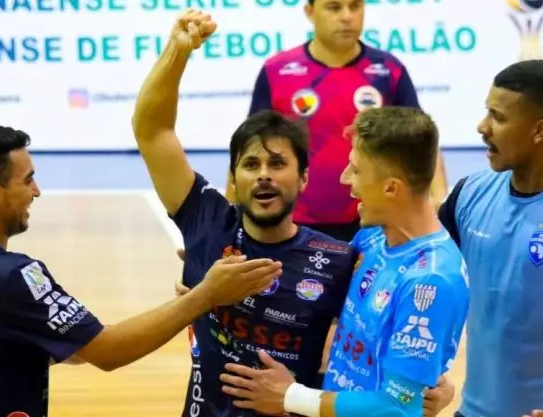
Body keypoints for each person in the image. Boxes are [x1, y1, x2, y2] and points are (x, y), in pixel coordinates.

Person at [131, 10, 357, 417]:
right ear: (233, 180)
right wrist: (178, 53)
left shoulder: (340, 259)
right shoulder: (207, 222)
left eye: (277, 163)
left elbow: (374, 354)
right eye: (251, 165)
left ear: (303, 178)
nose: (264, 175)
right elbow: (151, 130)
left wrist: (433, 390)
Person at [0, 124, 281, 417]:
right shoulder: (11, 277)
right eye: (27, 181)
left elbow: (76, 346)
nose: (36, 191)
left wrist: (191, 300)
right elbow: (107, 351)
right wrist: (205, 296)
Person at [218, 106, 470, 417]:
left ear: (391, 188)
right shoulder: (373, 238)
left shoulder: (431, 281)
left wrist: (291, 397)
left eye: (356, 170)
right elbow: (308, 287)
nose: (345, 179)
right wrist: (210, 285)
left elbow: (397, 407)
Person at [427, 59, 543, 417]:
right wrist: (431, 375)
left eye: (498, 117)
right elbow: (431, 287)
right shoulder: (468, 194)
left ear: (539, 130)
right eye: (487, 112)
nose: (483, 127)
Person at [223, 0, 448, 243]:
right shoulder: (277, 71)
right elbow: (248, 146)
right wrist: (228, 223)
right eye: (334, 7)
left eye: (355, 6)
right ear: (310, 11)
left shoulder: (388, 71)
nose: (346, 16)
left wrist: (439, 197)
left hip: (372, 223)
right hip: (295, 226)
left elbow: (420, 140)